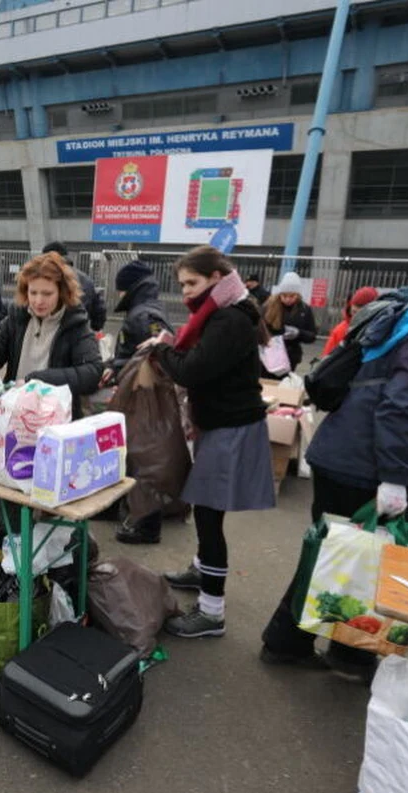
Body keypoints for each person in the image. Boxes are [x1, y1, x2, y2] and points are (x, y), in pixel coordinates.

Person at [260, 241, 408, 680]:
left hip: (343, 453)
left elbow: (389, 392)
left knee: (332, 554)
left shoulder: (406, 309)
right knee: (362, 560)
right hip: (363, 464)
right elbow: (400, 404)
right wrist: (392, 478)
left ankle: (290, 644)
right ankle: (349, 655)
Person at [132, 247, 274, 636]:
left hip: (231, 430)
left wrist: (161, 349)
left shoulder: (228, 319)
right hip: (224, 425)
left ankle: (212, 611)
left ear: (216, 278)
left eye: (192, 283)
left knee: (210, 517)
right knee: (207, 511)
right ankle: (201, 570)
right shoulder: (226, 312)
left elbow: (192, 371)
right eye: (182, 285)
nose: (186, 293)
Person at [0, 252, 103, 414]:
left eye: (47, 294)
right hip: (14, 412)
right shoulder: (17, 316)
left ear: (61, 292)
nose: (38, 301)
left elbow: (92, 372)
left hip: (55, 418)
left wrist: (38, 380)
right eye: (33, 293)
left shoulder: (75, 324)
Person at [102, 259, 170, 384]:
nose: (119, 295)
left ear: (130, 289)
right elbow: (131, 352)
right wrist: (113, 366)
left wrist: (116, 368)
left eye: (120, 290)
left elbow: (150, 358)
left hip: (139, 390)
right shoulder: (149, 308)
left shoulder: (142, 316)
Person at [41, 241, 106, 332]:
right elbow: (99, 308)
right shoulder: (86, 279)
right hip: (81, 331)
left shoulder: (46, 276)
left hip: (52, 331)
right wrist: (94, 328)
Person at [263, 271, 318, 373]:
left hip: (290, 356)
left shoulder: (304, 309)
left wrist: (298, 333)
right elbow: (260, 327)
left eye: (292, 296)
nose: (288, 299)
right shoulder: (269, 306)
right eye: (284, 295)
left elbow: (312, 335)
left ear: (298, 295)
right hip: (270, 354)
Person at [322, 286, 380, 356]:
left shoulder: (380, 329)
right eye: (354, 312)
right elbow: (327, 357)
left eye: (361, 314)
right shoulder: (341, 330)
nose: (356, 317)